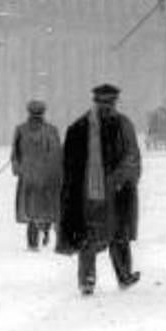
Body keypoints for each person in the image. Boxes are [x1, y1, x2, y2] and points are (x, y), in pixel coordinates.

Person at [58, 83, 142, 295]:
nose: (107, 107)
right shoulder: (79, 128)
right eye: (103, 103)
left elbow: (133, 157)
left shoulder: (123, 126)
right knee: (88, 235)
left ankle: (123, 275)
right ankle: (88, 279)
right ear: (95, 102)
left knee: (118, 234)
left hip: (117, 192)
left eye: (110, 103)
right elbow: (67, 166)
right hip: (89, 194)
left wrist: (120, 177)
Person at [11, 99, 62, 250]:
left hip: (30, 177)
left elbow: (15, 154)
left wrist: (18, 169)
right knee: (46, 208)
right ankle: (44, 234)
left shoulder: (20, 129)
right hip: (46, 176)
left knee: (32, 211)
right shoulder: (52, 130)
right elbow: (57, 154)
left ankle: (34, 242)